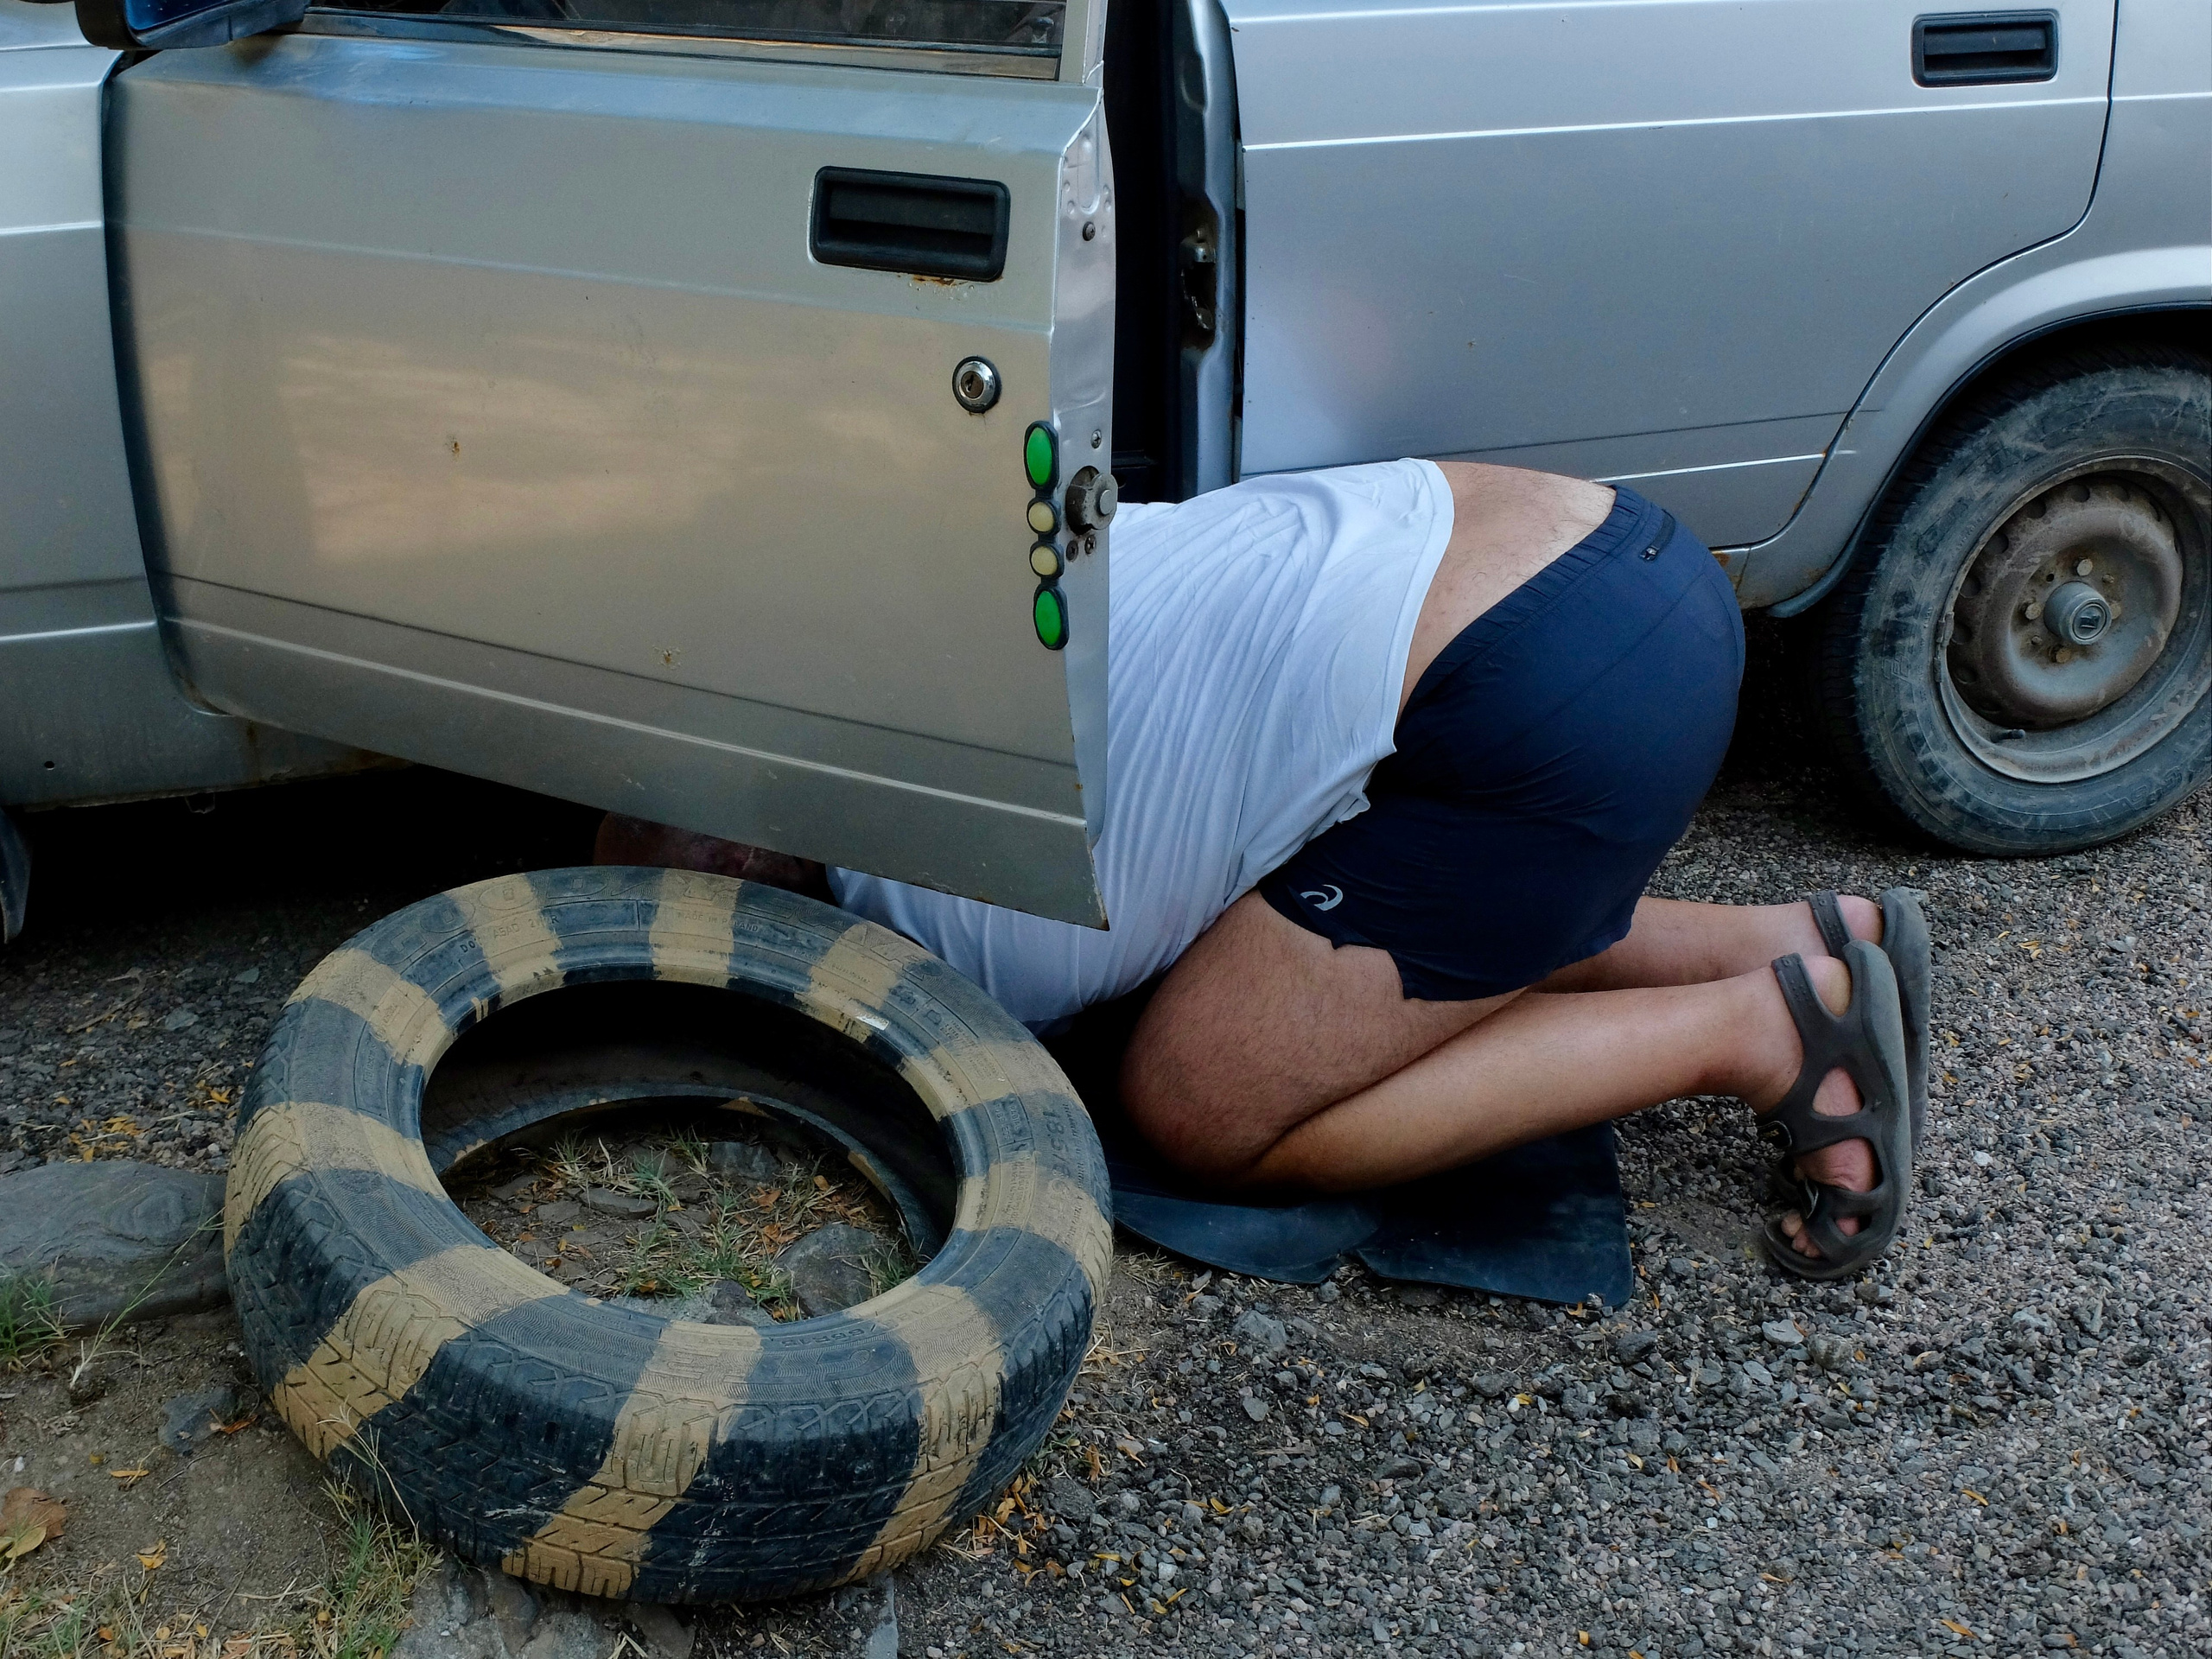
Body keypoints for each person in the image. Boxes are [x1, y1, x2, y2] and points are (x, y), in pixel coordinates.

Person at [601, 460, 1929, 1281]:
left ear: (742, 865)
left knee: (1196, 1103)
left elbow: (1174, 999)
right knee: (1329, 876)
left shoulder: (961, 911)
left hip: (1541, 713)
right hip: (1615, 553)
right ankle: (1785, 938)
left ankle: (1762, 1032)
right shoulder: (919, 620)